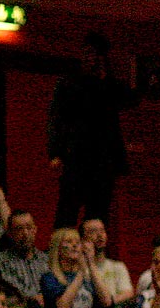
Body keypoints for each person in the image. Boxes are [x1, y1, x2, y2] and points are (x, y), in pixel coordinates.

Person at [47, 31, 137, 227]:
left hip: (103, 159)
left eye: (96, 55)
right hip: (76, 155)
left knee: (98, 211)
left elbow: (130, 100)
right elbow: (57, 118)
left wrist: (108, 76)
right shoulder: (69, 83)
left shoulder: (110, 85)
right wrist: (56, 152)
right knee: (68, 209)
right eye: (87, 53)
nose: (91, 59)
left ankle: (91, 252)